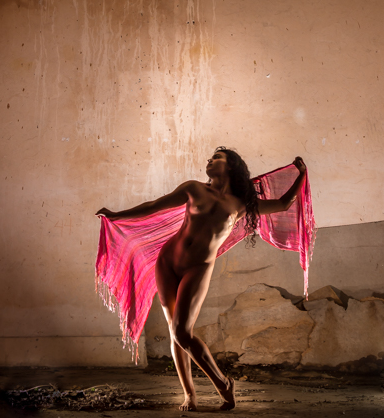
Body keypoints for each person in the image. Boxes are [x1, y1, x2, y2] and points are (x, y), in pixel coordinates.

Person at [96, 148, 307, 412]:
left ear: (230, 167)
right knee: (175, 333)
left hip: (197, 268)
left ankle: (223, 384)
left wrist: (301, 175)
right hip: (167, 262)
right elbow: (154, 206)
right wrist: (116, 215)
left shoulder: (242, 205)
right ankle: (190, 396)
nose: (210, 160)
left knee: (182, 332)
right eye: (210, 157)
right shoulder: (193, 189)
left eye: (217, 157)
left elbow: (284, 203)